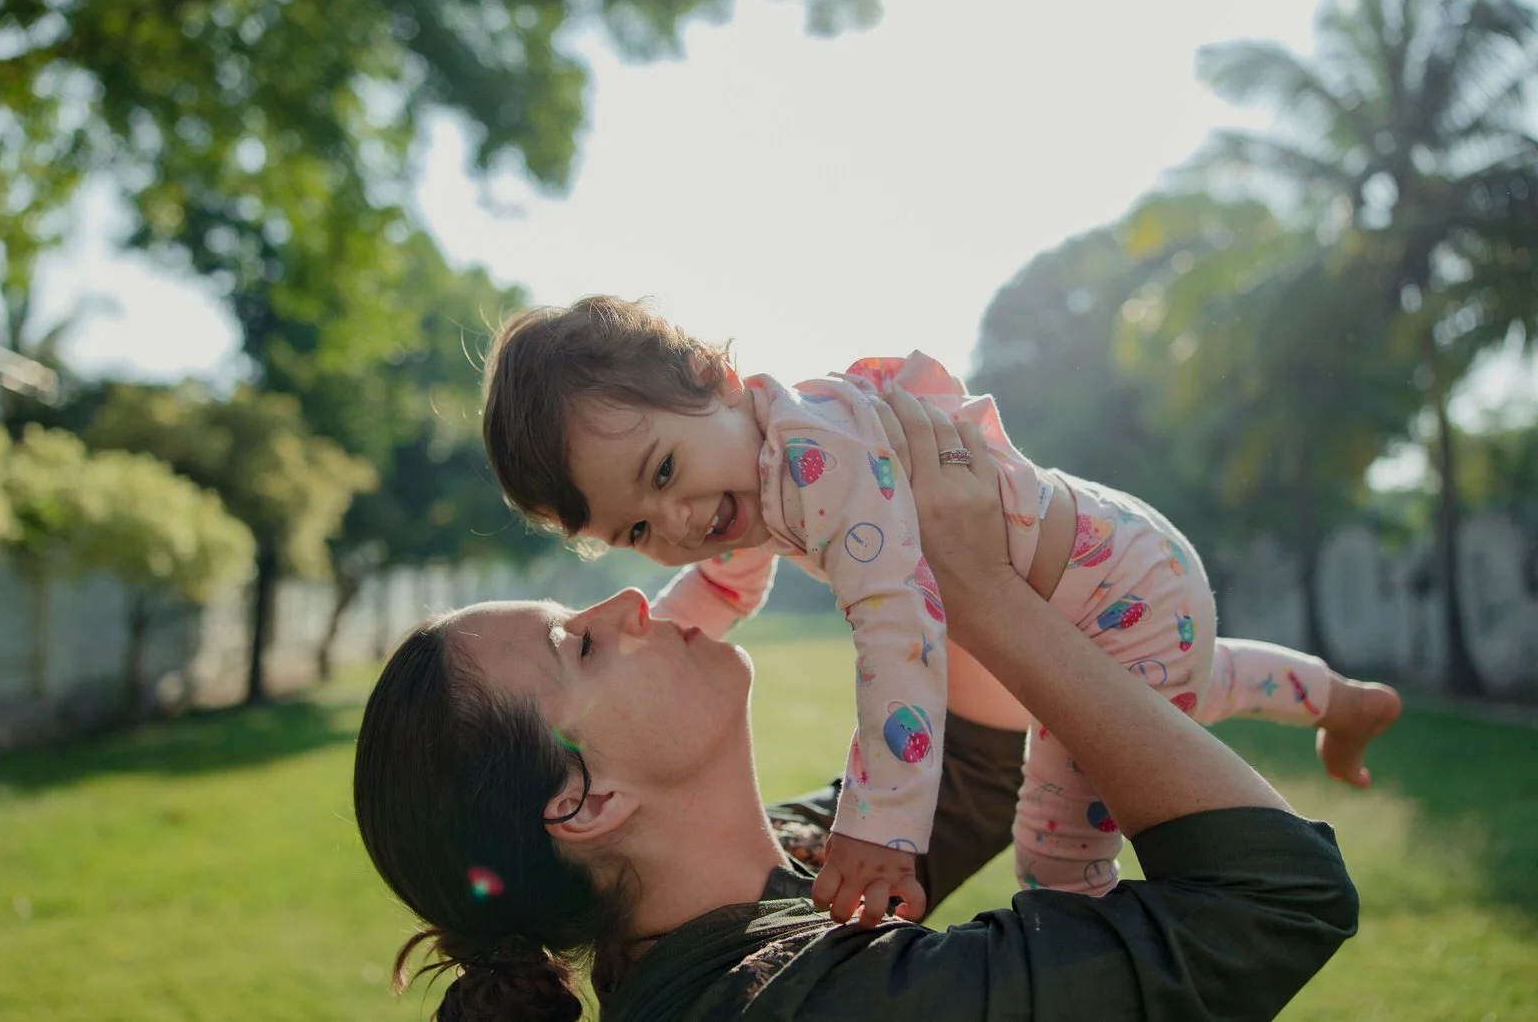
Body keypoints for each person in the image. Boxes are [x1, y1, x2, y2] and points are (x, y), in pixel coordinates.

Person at [352, 389, 1360, 1021]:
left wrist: (921, 525)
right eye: (574, 642)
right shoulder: (788, 1000)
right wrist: (983, 595)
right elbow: (1272, 904)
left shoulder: (768, 873)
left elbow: (970, 766)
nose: (628, 597)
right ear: (584, 800)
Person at [478, 294, 1400, 913]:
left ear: (717, 382)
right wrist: (656, 639)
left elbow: (897, 630)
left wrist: (880, 829)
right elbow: (723, 583)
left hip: (1113, 593)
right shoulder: (761, 465)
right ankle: (1341, 700)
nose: (679, 521)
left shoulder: (815, 460)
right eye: (639, 531)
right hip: (1128, 583)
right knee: (1193, 686)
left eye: (665, 472)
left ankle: (1099, 979)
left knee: (1055, 856)